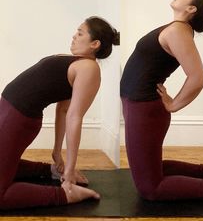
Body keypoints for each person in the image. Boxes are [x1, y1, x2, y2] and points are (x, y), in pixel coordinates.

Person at [121, 0, 203, 200]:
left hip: (145, 109)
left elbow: (198, 77)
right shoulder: (176, 29)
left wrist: (174, 104)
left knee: (150, 188)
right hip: (138, 106)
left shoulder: (178, 32)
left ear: (191, 8)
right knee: (153, 167)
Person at [0, 16, 120, 210]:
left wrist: (71, 170)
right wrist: (57, 155)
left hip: (18, 119)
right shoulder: (73, 61)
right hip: (7, 111)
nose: (74, 36)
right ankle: (52, 171)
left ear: (94, 44)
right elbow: (62, 110)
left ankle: (64, 194)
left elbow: (74, 116)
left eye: (80, 33)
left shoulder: (89, 68)